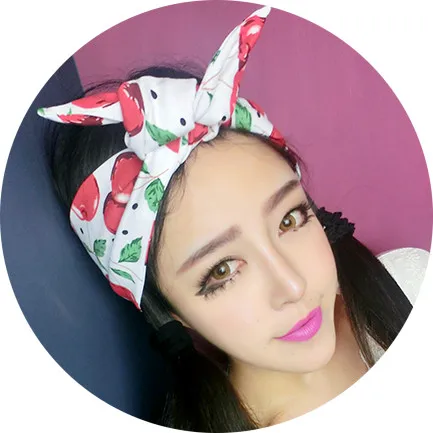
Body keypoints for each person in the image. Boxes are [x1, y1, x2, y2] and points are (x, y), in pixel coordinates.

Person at [38, 6, 426, 432]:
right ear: (171, 312)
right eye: (222, 270)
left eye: (290, 220)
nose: (293, 286)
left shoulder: (410, 282)